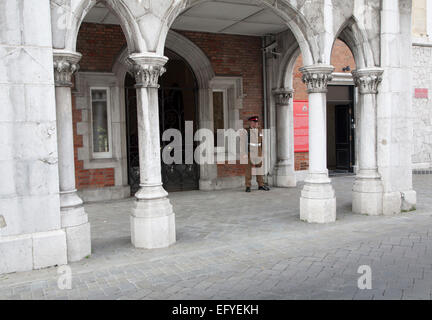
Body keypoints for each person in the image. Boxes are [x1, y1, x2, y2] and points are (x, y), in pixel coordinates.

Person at [245, 116, 270, 192]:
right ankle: (248, 186)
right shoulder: (247, 131)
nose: (257, 123)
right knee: (248, 169)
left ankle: (261, 185)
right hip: (250, 151)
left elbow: (262, 141)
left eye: (257, 122)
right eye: (255, 122)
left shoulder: (259, 130)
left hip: (258, 151)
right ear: (251, 123)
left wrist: (263, 151)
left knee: (259, 168)